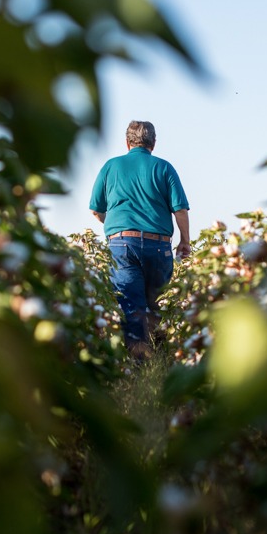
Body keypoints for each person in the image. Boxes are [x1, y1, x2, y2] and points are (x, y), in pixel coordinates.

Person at [89, 120, 191, 359]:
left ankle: (138, 365)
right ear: (153, 143)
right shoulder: (164, 168)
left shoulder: (111, 167)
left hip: (121, 245)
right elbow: (180, 210)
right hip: (158, 244)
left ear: (127, 143)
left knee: (131, 308)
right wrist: (185, 241)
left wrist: (117, 228)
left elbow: (96, 210)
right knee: (159, 305)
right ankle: (163, 360)